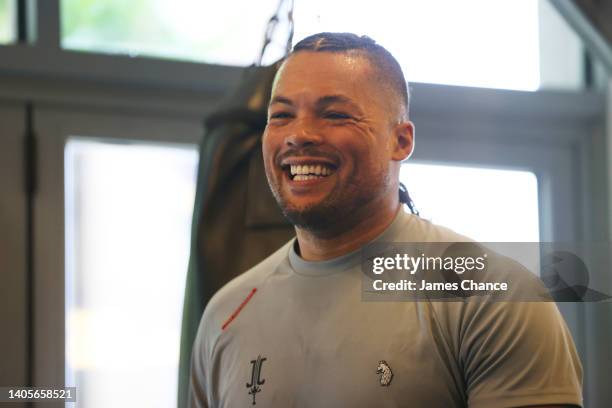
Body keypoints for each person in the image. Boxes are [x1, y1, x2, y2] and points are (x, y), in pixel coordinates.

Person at [188, 32, 583, 407]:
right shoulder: (227, 312)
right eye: (281, 116)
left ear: (401, 140)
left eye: (335, 114)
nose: (300, 135)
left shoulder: (492, 297)